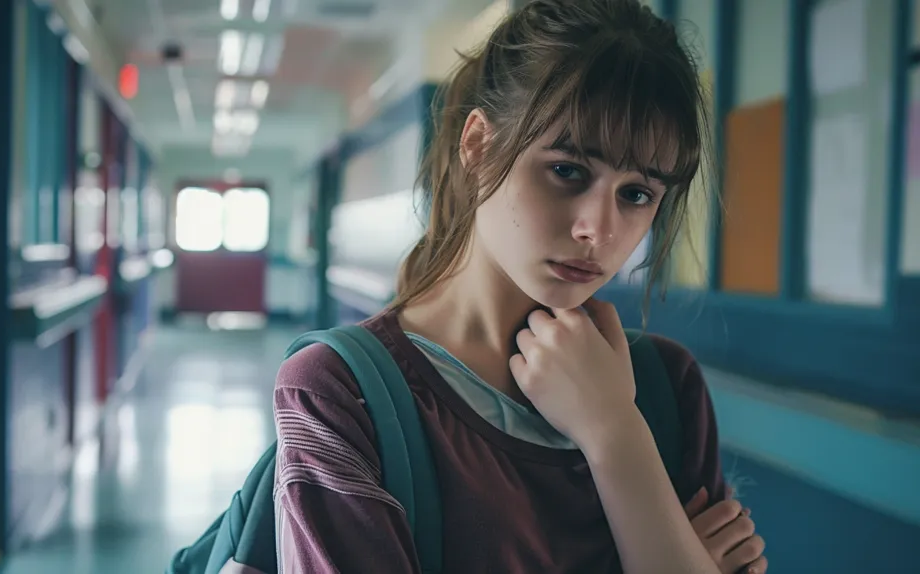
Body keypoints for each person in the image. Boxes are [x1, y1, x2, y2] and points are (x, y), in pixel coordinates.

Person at [272, 1, 767, 573]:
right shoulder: (339, 393)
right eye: (568, 171)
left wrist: (614, 432)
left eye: (636, 194)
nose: (598, 230)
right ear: (478, 145)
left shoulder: (664, 387)